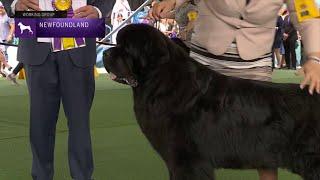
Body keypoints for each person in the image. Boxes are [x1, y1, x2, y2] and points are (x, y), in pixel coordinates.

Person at [149, 0, 320, 179]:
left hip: (253, 64)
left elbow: (307, 15)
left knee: (266, 135)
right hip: (207, 62)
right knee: (190, 139)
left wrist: (315, 58)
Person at [9, 0, 115, 179]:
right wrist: (13, 4)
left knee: (80, 122)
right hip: (35, 38)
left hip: (80, 36)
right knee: (40, 123)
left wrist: (99, 9)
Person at [0, 1, 14, 75]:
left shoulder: (8, 16)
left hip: (7, 38)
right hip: (0, 38)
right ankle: (4, 67)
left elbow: (12, 26)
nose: (0, 9)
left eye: (2, 8)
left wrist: (10, 35)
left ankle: (3, 68)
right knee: (2, 52)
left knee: (3, 53)